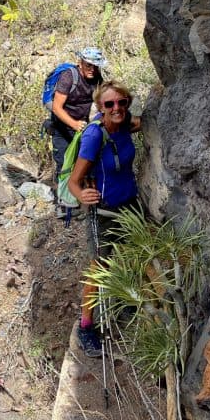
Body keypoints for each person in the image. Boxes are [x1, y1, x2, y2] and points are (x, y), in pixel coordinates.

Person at [66, 80, 142, 357]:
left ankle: (125, 300)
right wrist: (81, 194)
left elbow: (142, 123)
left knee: (135, 255)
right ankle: (86, 327)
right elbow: (74, 181)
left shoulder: (126, 125)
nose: (116, 108)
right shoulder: (93, 136)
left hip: (130, 205)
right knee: (99, 269)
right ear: (100, 107)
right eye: (109, 104)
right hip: (105, 211)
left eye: (121, 102)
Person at [49, 47, 107, 184]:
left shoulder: (97, 79)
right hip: (62, 130)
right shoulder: (68, 77)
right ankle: (64, 202)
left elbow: (102, 101)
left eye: (95, 65)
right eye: (88, 65)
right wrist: (74, 124)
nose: (92, 69)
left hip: (82, 129)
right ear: (80, 63)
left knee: (88, 166)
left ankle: (87, 200)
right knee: (64, 167)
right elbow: (56, 108)